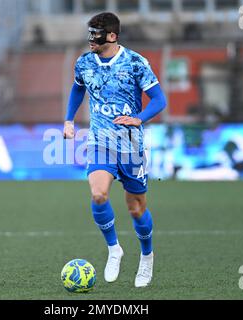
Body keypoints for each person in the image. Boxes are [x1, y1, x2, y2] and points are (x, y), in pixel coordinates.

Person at [63, 12, 167, 287]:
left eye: (95, 33)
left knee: (136, 209)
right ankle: (114, 249)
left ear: (112, 35)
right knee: (98, 195)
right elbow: (77, 89)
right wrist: (69, 120)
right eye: (89, 33)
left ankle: (147, 256)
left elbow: (159, 99)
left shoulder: (135, 62)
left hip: (131, 145)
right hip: (100, 142)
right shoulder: (84, 62)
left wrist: (139, 118)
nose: (90, 39)